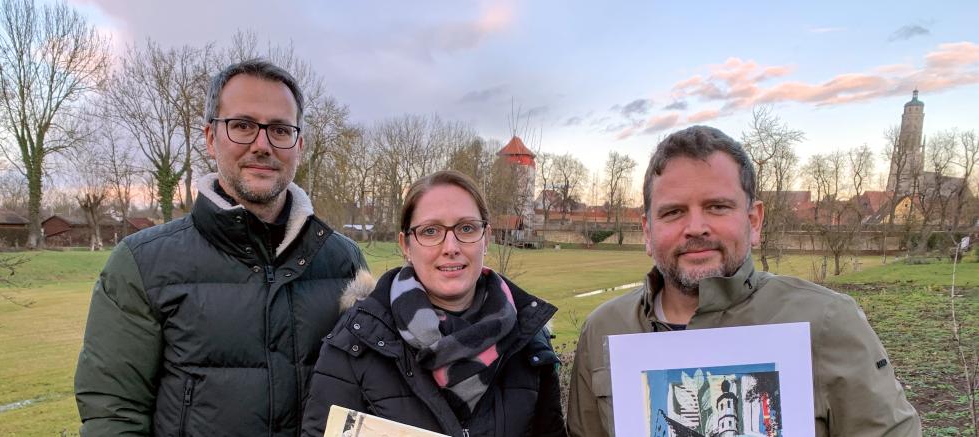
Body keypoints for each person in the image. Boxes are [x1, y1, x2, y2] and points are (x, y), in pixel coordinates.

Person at [74, 59, 367, 436]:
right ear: (211, 138)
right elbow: (114, 416)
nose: (262, 145)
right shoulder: (142, 265)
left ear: (299, 144)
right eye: (243, 125)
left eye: (280, 129)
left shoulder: (345, 263)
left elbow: (369, 393)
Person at [567, 126, 920, 436]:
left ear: (754, 221)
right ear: (647, 231)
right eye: (673, 212)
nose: (696, 227)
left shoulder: (827, 322)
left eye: (717, 207)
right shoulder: (604, 330)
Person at [302, 170, 567, 437]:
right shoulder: (356, 341)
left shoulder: (530, 341)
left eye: (466, 228)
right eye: (430, 231)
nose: (451, 247)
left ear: (486, 238)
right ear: (406, 245)